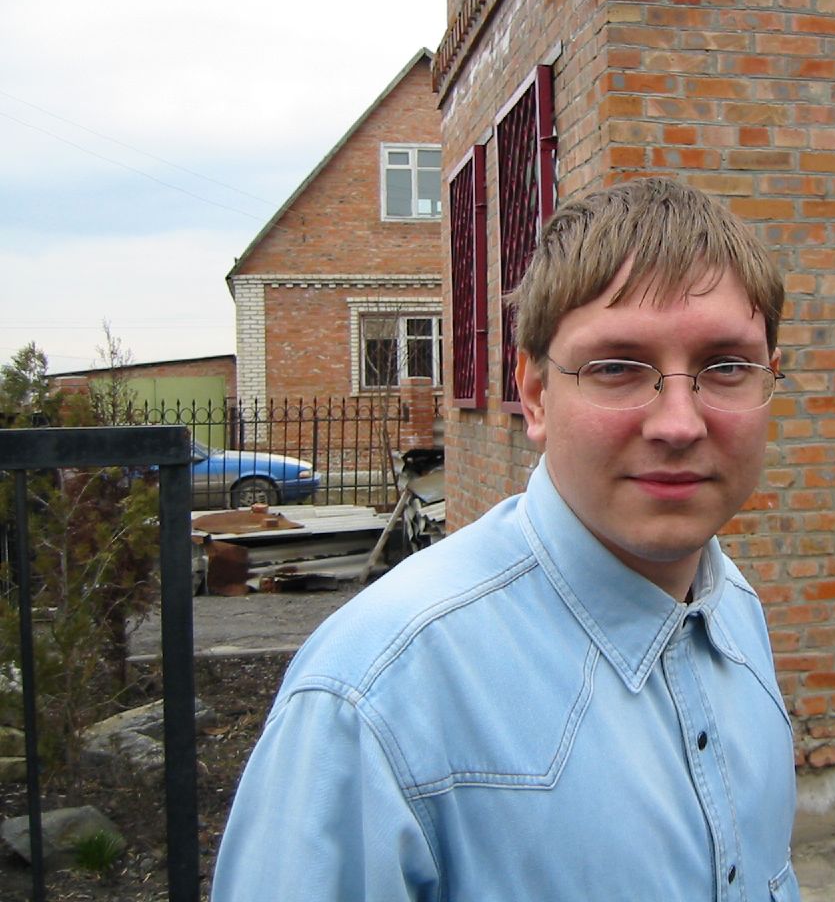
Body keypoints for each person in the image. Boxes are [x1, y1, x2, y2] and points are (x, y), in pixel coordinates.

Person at [211, 177, 800, 901]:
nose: (678, 422)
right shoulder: (373, 696)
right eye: (617, 367)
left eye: (727, 367)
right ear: (534, 394)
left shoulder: (735, 610)